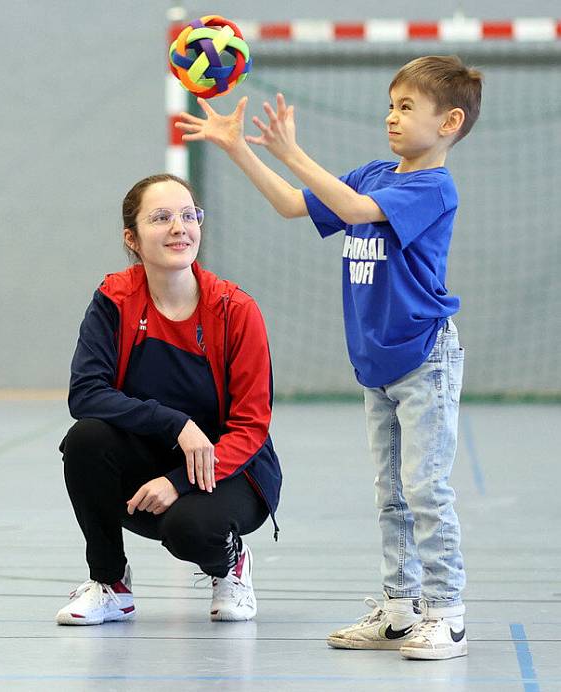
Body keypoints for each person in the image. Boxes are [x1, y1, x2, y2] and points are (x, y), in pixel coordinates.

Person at [177, 55, 481, 660]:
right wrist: (239, 148)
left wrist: (293, 150)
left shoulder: (431, 187)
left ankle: (447, 611)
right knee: (389, 491)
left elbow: (354, 211)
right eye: (390, 105)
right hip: (377, 362)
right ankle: (400, 609)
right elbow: (295, 204)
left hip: (424, 358)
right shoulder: (373, 172)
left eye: (406, 108)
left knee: (425, 488)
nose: (391, 118)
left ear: (449, 122)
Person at [58, 173, 281, 627]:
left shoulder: (235, 310)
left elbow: (252, 426)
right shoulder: (115, 300)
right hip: (147, 464)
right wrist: (174, 423)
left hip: (231, 469)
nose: (179, 227)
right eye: (161, 218)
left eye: (188, 215)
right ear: (132, 239)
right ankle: (110, 582)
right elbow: (85, 394)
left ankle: (230, 566)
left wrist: (179, 480)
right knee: (86, 439)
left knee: (191, 530)